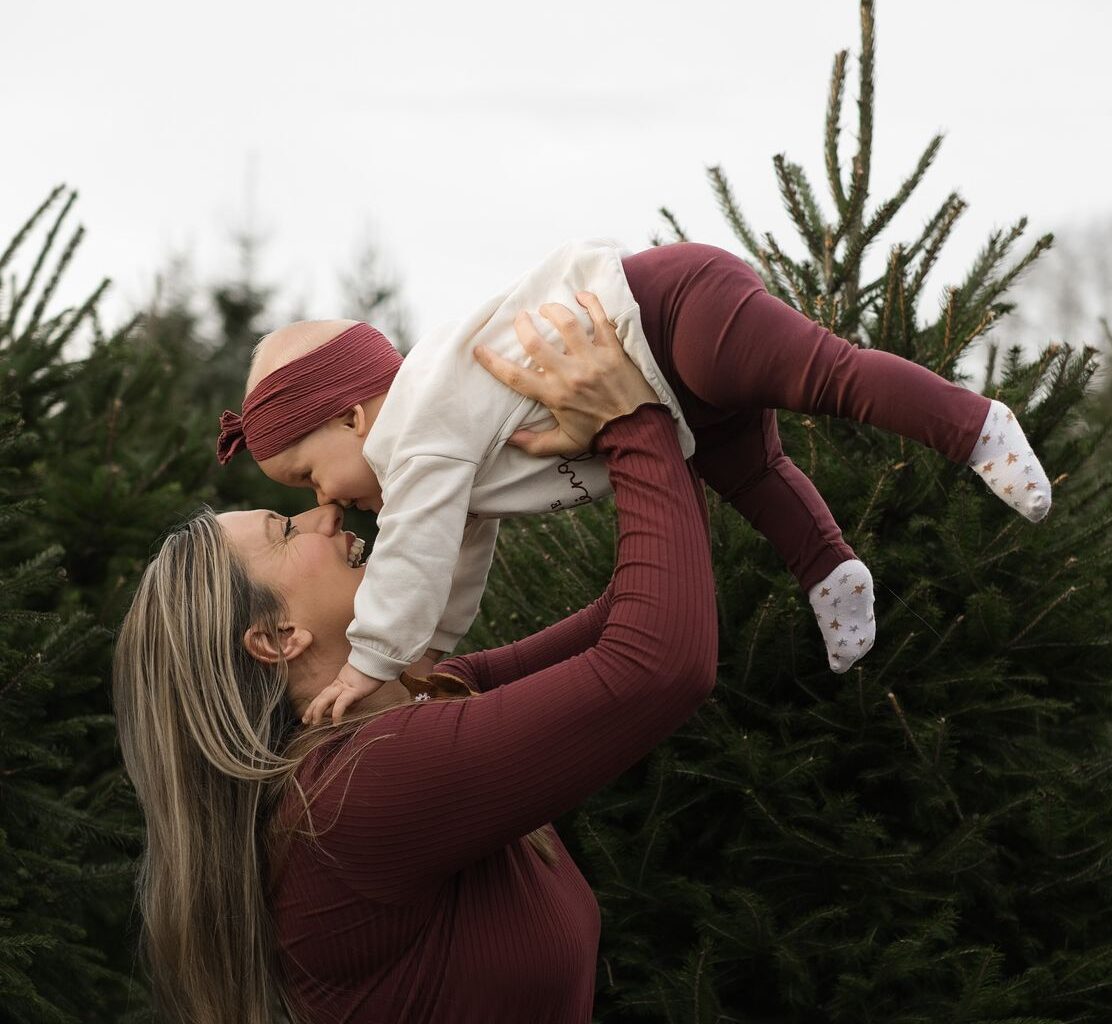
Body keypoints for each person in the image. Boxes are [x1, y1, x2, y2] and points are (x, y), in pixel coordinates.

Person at [111, 319, 716, 1023]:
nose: (325, 515)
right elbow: (660, 662)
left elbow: (639, 606)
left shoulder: (413, 703)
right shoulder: (353, 792)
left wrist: (664, 420)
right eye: (285, 529)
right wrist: (634, 420)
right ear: (276, 638)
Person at [215, 240, 1052, 723]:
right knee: (754, 472)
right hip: (666, 385)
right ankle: (833, 571)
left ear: (355, 418)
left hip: (665, 314)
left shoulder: (418, 425)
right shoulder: (436, 461)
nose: (323, 501)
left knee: (827, 376)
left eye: (307, 474)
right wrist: (432, 647)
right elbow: (459, 550)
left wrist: (373, 660)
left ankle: (974, 425)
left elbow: (415, 547)